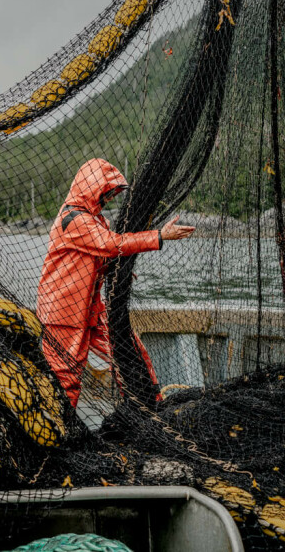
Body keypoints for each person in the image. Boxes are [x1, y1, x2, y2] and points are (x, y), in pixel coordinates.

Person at [36, 158, 195, 407]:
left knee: (131, 353)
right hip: (63, 313)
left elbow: (95, 257)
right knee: (66, 378)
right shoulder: (73, 218)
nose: (108, 198)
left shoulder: (95, 220)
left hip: (91, 308)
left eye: (111, 194)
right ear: (91, 187)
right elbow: (111, 245)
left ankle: (148, 409)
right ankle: (60, 433)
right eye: (106, 192)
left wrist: (111, 270)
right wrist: (159, 236)